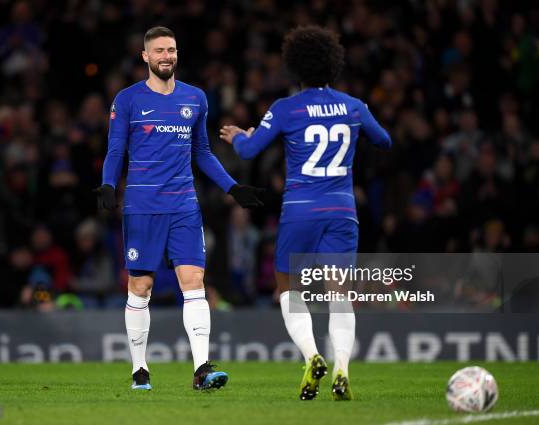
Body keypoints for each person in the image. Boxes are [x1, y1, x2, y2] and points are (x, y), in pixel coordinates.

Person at [220, 26, 392, 401]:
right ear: (334, 66)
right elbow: (385, 140)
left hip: (299, 211)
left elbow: (249, 153)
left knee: (288, 290)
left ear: (295, 68)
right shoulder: (354, 106)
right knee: (339, 296)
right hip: (342, 210)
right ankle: (342, 368)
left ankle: (313, 355)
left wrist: (240, 136)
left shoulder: (285, 109)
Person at [94, 26, 263, 391]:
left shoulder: (196, 98)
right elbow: (116, 149)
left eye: (171, 49)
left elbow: (201, 152)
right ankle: (140, 369)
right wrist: (108, 182)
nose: (166, 56)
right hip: (142, 206)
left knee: (194, 283)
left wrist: (232, 188)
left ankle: (202, 368)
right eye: (158, 51)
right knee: (141, 285)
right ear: (145, 57)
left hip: (184, 205)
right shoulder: (127, 100)